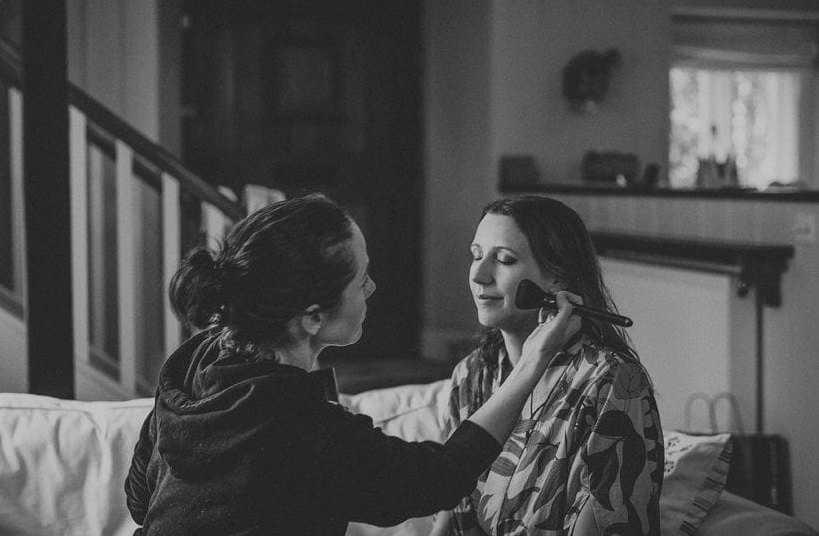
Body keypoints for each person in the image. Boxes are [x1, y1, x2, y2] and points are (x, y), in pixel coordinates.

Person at [124, 193, 583, 535]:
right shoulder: (304, 428)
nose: (372, 289)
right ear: (313, 317)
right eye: (360, 280)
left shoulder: (196, 359)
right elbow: (438, 477)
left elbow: (140, 496)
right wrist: (531, 364)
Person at [431, 196, 664, 536]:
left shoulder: (611, 382)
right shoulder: (470, 375)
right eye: (477, 255)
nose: (479, 276)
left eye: (504, 260)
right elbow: (450, 518)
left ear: (557, 278)